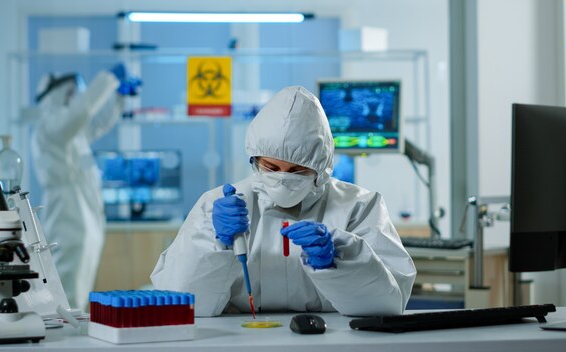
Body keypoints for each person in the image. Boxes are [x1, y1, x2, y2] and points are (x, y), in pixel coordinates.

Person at [151, 86, 416, 317]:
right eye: (272, 167)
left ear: (321, 167)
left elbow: (390, 303)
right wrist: (214, 245)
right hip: (238, 342)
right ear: (255, 159)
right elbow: (179, 303)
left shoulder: (360, 206)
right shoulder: (217, 204)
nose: (282, 180)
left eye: (297, 171)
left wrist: (340, 260)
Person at [32, 65, 141, 310]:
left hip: (84, 205)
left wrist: (118, 97)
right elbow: (80, 112)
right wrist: (108, 79)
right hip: (68, 209)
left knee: (83, 275)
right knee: (70, 277)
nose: (76, 99)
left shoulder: (71, 132)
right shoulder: (50, 126)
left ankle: (74, 327)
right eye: (71, 93)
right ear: (57, 94)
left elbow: (99, 123)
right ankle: (64, 333)